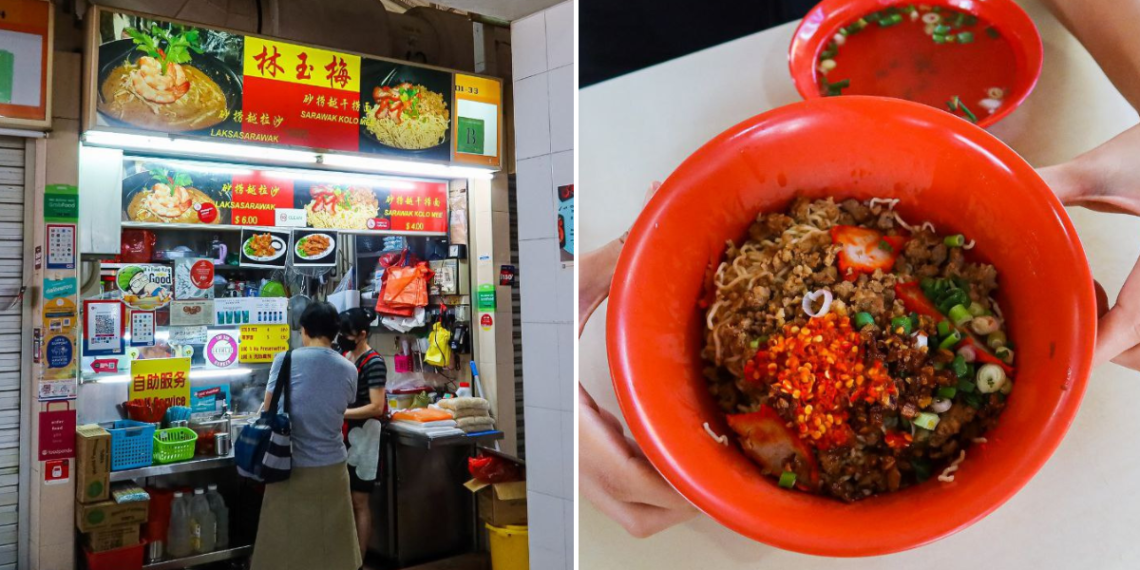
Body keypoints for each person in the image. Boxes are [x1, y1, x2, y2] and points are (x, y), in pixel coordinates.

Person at [250, 302, 362, 570]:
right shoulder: (349, 368)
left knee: (287, 549)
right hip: (333, 468)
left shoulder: (285, 360)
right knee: (333, 548)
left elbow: (268, 409)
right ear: (335, 332)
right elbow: (344, 404)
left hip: (289, 465)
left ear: (304, 330)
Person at [337, 307, 388, 559]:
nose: (343, 337)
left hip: (365, 437)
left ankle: (359, 559)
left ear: (363, 334)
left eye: (348, 333)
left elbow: (376, 406)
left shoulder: (374, 362)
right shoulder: (346, 356)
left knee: (359, 501)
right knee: (346, 501)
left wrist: (341, 413)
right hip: (344, 436)